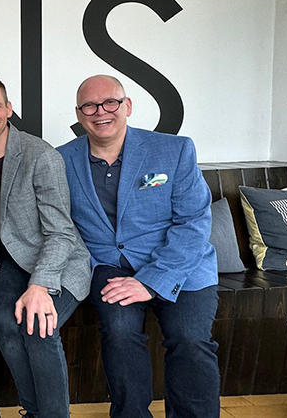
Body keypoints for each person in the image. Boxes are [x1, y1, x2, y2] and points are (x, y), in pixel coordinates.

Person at [57, 75, 219, 418]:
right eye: (89, 105)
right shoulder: (60, 160)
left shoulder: (174, 150)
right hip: (109, 265)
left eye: (110, 102)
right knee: (118, 332)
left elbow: (193, 223)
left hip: (181, 266)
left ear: (127, 106)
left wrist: (150, 281)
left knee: (190, 340)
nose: (100, 111)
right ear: (79, 113)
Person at [0, 77, 90, 418]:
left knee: (37, 327)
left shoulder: (40, 155)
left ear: (9, 109)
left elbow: (61, 233)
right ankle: (34, 412)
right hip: (13, 261)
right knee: (5, 325)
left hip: (58, 261)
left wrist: (40, 286)